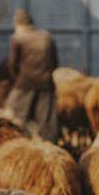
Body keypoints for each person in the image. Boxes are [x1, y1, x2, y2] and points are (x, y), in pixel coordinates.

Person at [5, 8, 60, 143]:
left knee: (12, 113)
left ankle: (17, 142)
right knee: (47, 119)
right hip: (46, 82)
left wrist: (15, 79)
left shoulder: (18, 38)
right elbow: (55, 62)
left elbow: (12, 65)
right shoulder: (47, 36)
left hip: (25, 83)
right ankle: (50, 145)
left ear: (17, 25)